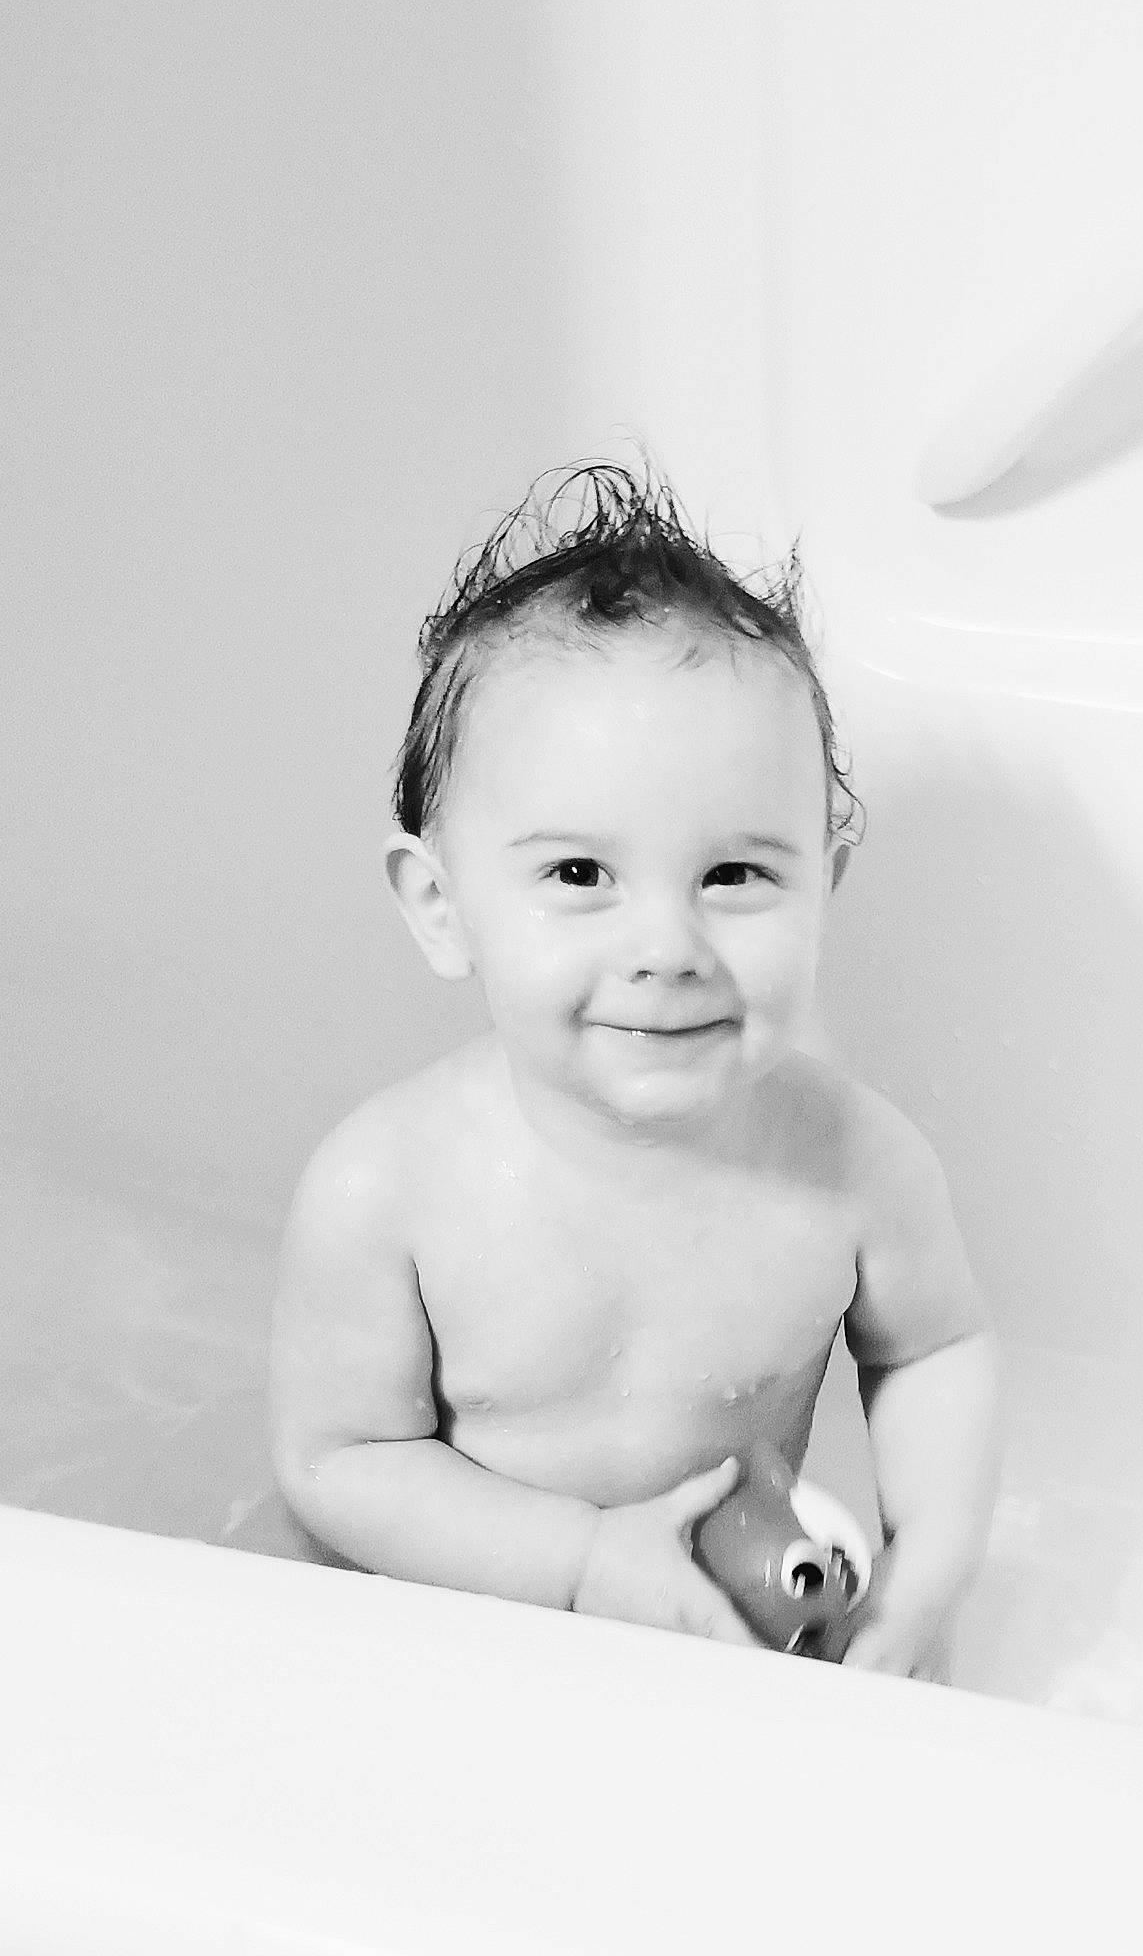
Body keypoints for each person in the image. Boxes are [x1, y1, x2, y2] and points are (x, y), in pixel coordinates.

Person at [269, 463, 999, 1677]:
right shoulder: (385, 1189)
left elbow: (935, 1348)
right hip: (444, 1640)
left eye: (735, 875)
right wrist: (586, 1562)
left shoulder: (858, 1165)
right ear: (442, 906)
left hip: (728, 1639)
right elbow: (338, 1461)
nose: (667, 949)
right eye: (578, 876)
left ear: (828, 881)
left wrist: (930, 1570)